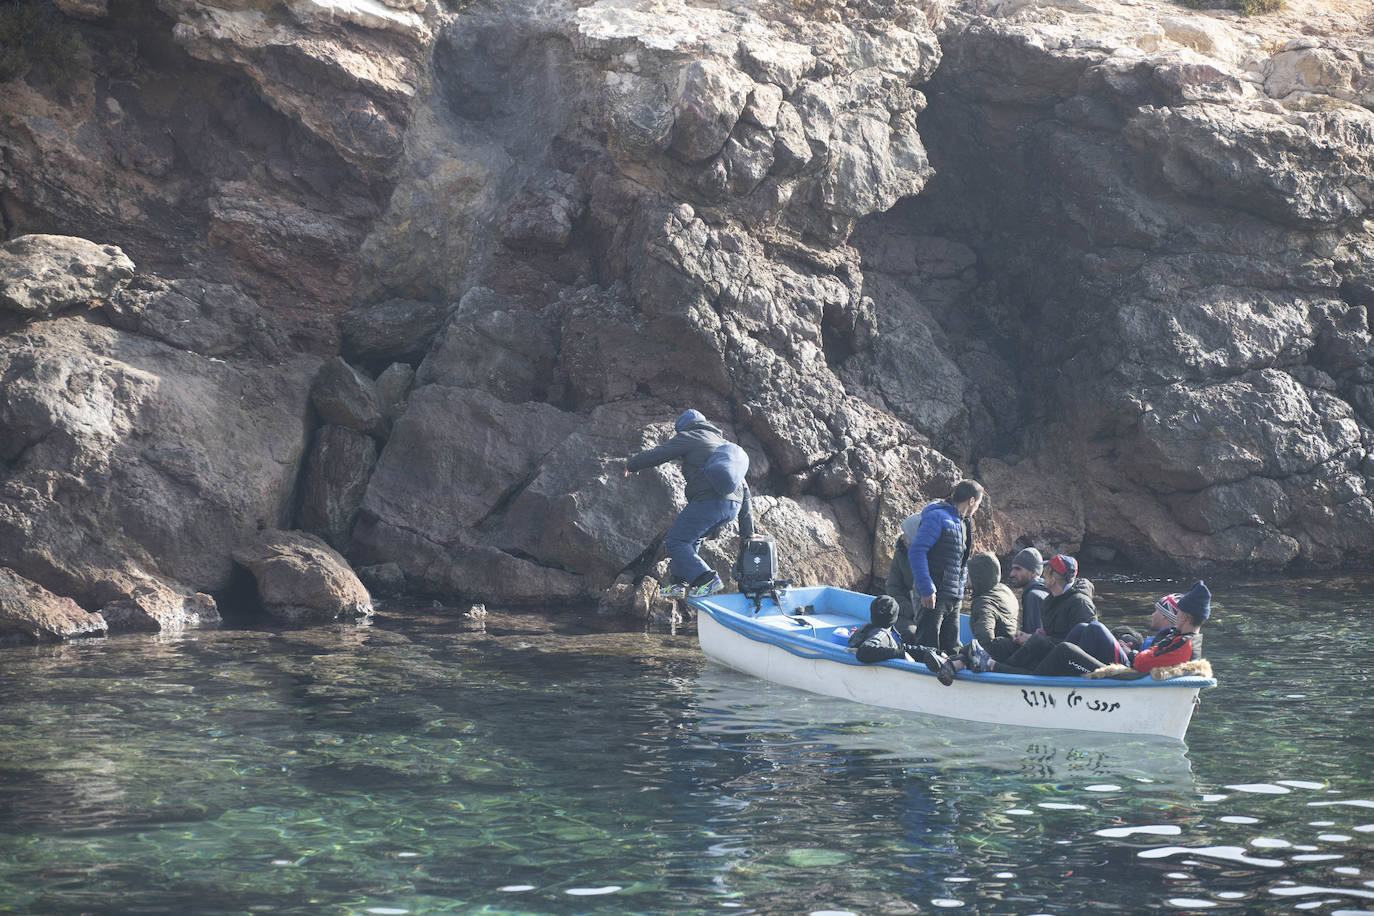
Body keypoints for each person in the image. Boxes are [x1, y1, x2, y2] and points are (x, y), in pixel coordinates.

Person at [626, 409, 754, 598]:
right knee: (690, 539)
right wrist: (747, 532)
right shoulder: (724, 445)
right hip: (733, 505)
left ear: (683, 428)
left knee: (675, 540)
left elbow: (661, 453)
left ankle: (706, 579)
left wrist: (633, 464)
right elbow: (745, 489)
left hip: (710, 501)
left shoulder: (691, 435)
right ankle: (679, 584)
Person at [958, 553, 1096, 676]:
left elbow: (1083, 645)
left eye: (1047, 572)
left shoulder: (1080, 604)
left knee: (1034, 648)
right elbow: (1052, 633)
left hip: (1063, 661)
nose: (1042, 575)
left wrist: (1038, 639)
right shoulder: (1052, 599)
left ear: (1053, 579)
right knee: (1004, 644)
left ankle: (988, 665)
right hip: (1047, 649)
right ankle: (960, 659)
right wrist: (1029, 636)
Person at [908, 480, 983, 653]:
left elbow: (961, 560)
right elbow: (916, 551)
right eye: (978, 504)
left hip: (954, 597)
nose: (977, 508)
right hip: (933, 597)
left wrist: (961, 591)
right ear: (971, 501)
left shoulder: (965, 523)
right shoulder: (937, 517)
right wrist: (927, 589)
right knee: (927, 648)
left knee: (952, 648)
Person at [884, 512, 921, 643]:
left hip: (931, 615)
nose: (903, 537)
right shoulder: (901, 554)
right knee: (911, 634)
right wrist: (911, 611)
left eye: (907, 534)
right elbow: (892, 589)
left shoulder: (936, 558)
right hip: (905, 613)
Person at [1006, 547, 1049, 635]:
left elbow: (1033, 638)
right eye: (1012, 569)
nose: (1011, 574)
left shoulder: (1033, 596)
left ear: (1033, 572)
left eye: (1018, 569)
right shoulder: (1045, 591)